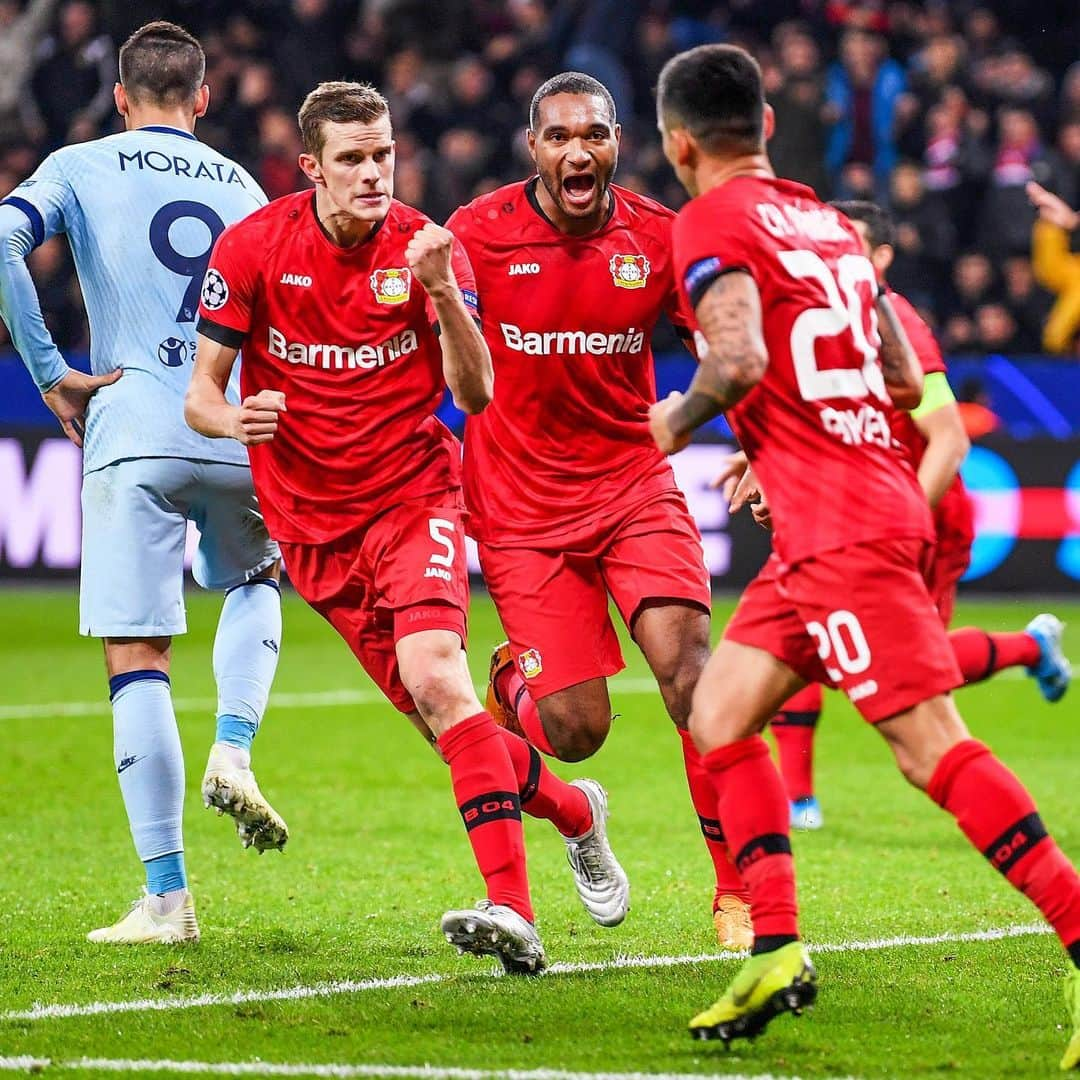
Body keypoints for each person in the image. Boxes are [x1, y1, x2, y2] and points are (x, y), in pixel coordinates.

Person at [649, 44, 1080, 1069]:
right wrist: (808, 436)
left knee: (929, 748)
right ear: (761, 127)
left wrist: (675, 426)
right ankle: (777, 942)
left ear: (677, 146)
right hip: (832, 511)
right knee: (718, 717)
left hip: (841, 525)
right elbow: (891, 364)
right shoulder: (827, 220)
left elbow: (741, 354)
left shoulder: (710, 221)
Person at [185, 80, 627, 975]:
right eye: (351, 158)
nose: (372, 172)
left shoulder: (430, 250)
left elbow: (475, 394)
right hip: (312, 533)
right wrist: (234, 421)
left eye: (382, 153)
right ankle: (578, 815)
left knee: (438, 679)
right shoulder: (255, 247)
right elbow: (200, 394)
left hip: (412, 497)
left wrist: (443, 296)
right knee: (452, 726)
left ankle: (513, 912)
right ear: (310, 166)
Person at [445, 70, 749, 948]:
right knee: (575, 735)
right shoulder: (479, 233)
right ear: (532, 147)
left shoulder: (660, 236)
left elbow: (730, 349)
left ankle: (735, 893)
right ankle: (515, 679)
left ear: (620, 142)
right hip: (521, 509)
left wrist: (762, 444)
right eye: (559, 136)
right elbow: (450, 365)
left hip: (632, 488)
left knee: (692, 678)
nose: (579, 150)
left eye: (597, 134)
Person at [0, 21, 288, 945]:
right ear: (203, 100)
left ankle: (167, 898)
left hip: (131, 419)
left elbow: (3, 240)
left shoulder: (81, 163)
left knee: (139, 655)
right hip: (235, 420)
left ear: (121, 99)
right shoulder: (246, 185)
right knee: (255, 581)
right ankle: (235, 747)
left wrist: (49, 370)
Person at [764, 199, 1070, 829]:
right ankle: (797, 798)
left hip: (919, 517)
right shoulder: (814, 318)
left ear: (882, 259)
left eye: (846, 245)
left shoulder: (894, 321)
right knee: (793, 638)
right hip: (846, 515)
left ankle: (1029, 646)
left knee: (915, 676)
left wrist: (901, 522)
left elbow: (950, 439)